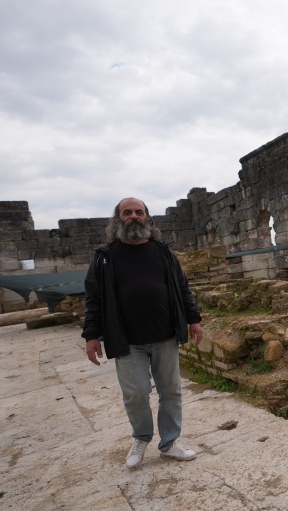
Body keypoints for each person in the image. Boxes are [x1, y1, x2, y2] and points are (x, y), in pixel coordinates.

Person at [81, 197, 203, 469]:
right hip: (127, 341)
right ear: (118, 219)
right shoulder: (105, 257)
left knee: (170, 391)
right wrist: (91, 335)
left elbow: (182, 287)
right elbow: (93, 299)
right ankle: (141, 438)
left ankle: (169, 443)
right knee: (136, 393)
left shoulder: (162, 251)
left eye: (139, 212)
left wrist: (193, 319)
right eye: (127, 212)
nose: (134, 216)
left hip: (165, 335)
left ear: (148, 218)